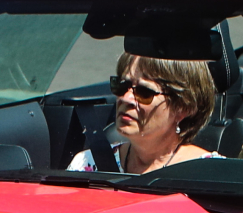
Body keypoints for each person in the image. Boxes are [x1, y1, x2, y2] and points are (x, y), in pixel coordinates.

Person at [68, 55, 217, 173]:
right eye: (122, 85)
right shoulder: (86, 164)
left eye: (145, 92)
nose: (126, 98)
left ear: (183, 108)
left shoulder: (213, 174)